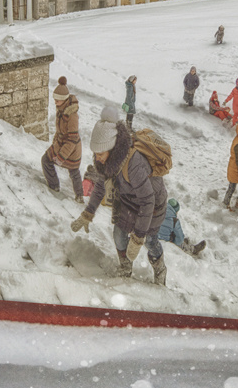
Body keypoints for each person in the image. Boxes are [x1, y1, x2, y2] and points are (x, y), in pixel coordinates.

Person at [72, 105, 169, 285]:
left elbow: (148, 201)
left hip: (152, 205)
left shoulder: (133, 164)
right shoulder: (106, 161)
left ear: (111, 148)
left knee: (150, 241)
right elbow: (100, 186)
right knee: (119, 233)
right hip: (129, 201)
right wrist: (88, 212)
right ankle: (125, 266)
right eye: (95, 154)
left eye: (100, 154)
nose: (97, 157)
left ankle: (160, 268)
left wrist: (138, 237)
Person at [42, 77, 82, 202]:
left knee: (74, 171)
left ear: (64, 99)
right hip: (60, 143)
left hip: (72, 149)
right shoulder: (61, 109)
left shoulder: (72, 116)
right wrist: (55, 143)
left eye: (57, 100)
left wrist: (61, 157)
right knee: (46, 160)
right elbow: (59, 130)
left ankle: (79, 195)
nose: (55, 102)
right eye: (55, 99)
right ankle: (54, 186)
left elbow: (72, 140)